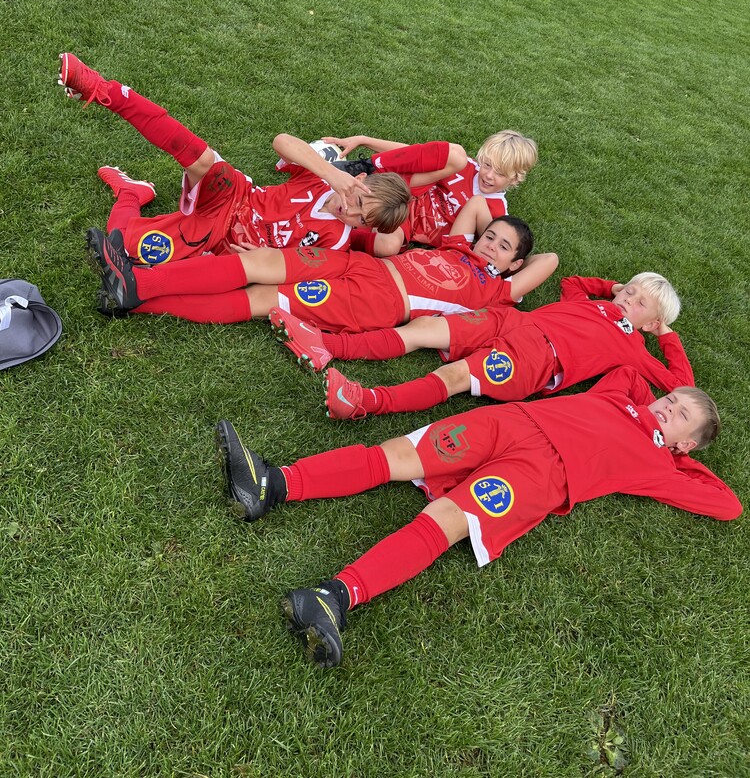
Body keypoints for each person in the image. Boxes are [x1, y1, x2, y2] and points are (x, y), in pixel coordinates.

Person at [215, 366, 741, 667]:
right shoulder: (620, 397)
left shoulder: (659, 464)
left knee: (444, 522)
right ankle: (271, 484)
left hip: (540, 475)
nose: (667, 406)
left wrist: (678, 456)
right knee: (393, 456)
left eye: (680, 415)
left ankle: (334, 598)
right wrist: (664, 382)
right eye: (672, 398)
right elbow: (631, 372)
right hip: (513, 421)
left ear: (686, 444)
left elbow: (727, 504)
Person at [58, 54, 411, 265]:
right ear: (358, 180)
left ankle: (131, 194)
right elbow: (282, 142)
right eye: (358, 201)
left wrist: (260, 260)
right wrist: (332, 175)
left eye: (360, 219)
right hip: (235, 195)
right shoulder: (322, 178)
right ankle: (103, 89)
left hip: (222, 241)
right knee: (201, 157)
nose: (349, 212)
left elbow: (290, 274)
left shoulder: (335, 242)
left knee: (120, 249)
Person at [272, 272, 694, 420]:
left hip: (536, 357)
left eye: (640, 302)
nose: (628, 299)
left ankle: (365, 401)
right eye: (630, 289)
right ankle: (326, 345)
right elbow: (571, 284)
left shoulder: (633, 345)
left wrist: (666, 336)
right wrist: (612, 287)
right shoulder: (592, 303)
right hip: (513, 321)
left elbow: (680, 383)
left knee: (454, 375)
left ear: (650, 322)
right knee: (424, 328)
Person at [88, 212, 560, 329]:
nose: (490, 245)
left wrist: (504, 270)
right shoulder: (458, 247)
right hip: (365, 265)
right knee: (261, 262)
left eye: (503, 247)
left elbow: (549, 261)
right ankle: (138, 283)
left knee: (261, 299)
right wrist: (485, 239)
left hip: (376, 303)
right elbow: (475, 205)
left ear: (514, 264)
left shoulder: (497, 290)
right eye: (489, 236)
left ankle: (137, 303)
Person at [324, 131, 538, 255]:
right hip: (401, 194)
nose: (489, 175)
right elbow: (413, 154)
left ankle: (336, 236)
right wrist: (365, 140)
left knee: (387, 245)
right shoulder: (466, 166)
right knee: (454, 156)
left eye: (499, 173)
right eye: (487, 165)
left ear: (515, 178)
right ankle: (363, 170)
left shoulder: (497, 213)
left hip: (406, 225)